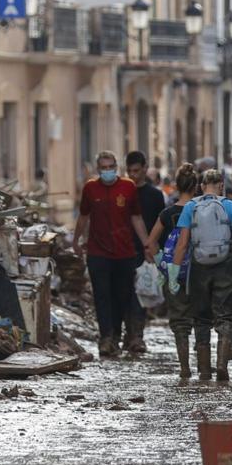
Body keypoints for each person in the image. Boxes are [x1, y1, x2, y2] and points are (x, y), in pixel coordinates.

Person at [169, 169, 232, 382]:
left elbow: (182, 244)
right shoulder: (230, 206)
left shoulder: (190, 207)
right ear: (222, 185)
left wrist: (173, 273)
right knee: (225, 316)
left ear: (200, 186)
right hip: (225, 266)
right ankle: (222, 364)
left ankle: (205, 370)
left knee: (201, 318)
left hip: (199, 267)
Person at [73, 152, 149, 358]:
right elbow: (83, 216)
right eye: (103, 168)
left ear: (116, 167)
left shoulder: (128, 187)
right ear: (98, 170)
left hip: (124, 252)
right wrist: (76, 240)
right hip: (98, 252)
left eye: (110, 167)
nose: (107, 171)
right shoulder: (90, 188)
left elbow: (136, 218)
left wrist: (148, 244)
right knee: (102, 296)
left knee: (122, 295)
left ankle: (119, 334)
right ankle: (106, 337)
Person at [146, 163, 202, 379]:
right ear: (196, 186)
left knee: (180, 321)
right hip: (200, 272)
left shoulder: (167, 213)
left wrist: (161, 262)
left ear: (177, 186)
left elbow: (151, 243)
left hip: (174, 274)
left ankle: (184, 366)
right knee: (201, 318)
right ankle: (205, 366)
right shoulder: (201, 211)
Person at [122, 151, 166, 354]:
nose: (133, 175)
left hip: (144, 251)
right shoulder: (122, 193)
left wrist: (156, 251)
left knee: (141, 293)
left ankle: (136, 335)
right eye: (130, 171)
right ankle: (126, 333)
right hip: (122, 249)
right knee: (123, 293)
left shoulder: (154, 195)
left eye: (137, 170)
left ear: (145, 168)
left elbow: (161, 224)